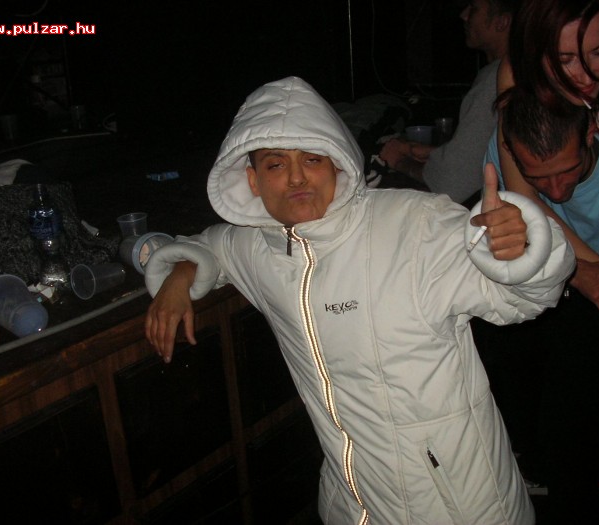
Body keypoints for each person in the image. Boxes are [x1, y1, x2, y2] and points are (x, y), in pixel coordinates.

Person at [144, 76, 575, 524]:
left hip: (459, 506)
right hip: (354, 503)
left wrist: (521, 248)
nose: (296, 177)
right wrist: (182, 271)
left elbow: (523, 297)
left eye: (312, 159)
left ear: (337, 162)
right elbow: (211, 244)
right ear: (253, 180)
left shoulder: (415, 227)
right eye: (275, 164)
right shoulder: (258, 247)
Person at [486, 87, 599, 524]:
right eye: (539, 178)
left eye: (567, 170)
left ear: (589, 136)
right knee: (567, 433)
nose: (556, 189)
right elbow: (520, 235)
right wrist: (583, 272)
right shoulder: (505, 150)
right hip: (566, 292)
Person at [496, 0, 599, 319]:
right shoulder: (516, 75)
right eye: (564, 59)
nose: (585, 76)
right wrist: (587, 271)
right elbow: (522, 197)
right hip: (569, 276)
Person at [378, 0, 518, 205]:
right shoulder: (524, 69)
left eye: (474, 8)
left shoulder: (495, 80)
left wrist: (399, 160)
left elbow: (451, 184)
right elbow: (489, 155)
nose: (464, 15)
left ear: (501, 22)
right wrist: (432, 153)